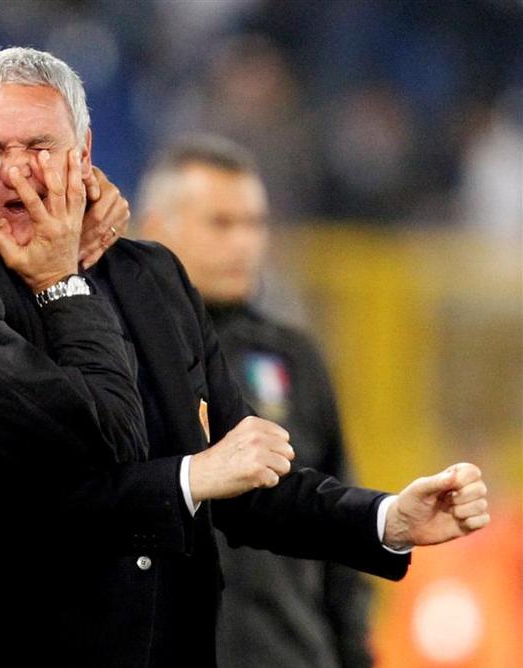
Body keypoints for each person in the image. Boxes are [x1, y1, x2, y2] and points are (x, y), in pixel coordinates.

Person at [0, 47, 491, 667]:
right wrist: (189, 479)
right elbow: (20, 508)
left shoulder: (152, 278)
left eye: (39, 146)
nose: (14, 170)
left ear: (83, 154)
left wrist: (387, 519)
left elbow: (246, 474)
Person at [137, 134, 374, 667]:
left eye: (255, 224)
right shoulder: (115, 353)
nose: (244, 244)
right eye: (221, 224)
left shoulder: (295, 358)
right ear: (155, 228)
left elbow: (341, 535)